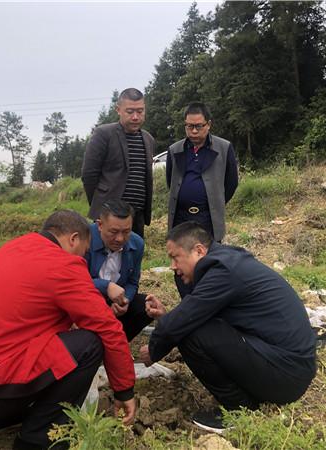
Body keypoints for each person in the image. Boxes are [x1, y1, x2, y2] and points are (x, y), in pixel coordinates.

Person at [0, 211, 136, 450]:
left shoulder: (15, 248)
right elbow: (108, 328)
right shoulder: (62, 264)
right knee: (88, 345)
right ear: (73, 239)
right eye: (84, 252)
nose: (83, 259)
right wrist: (124, 391)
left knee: (36, 340)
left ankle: (0, 420)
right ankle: (37, 441)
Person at [139, 222, 316, 433]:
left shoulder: (224, 271)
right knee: (192, 325)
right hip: (288, 366)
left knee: (190, 333)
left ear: (198, 250)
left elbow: (186, 320)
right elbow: (194, 314)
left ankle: (238, 410)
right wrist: (167, 318)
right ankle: (249, 395)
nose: (172, 266)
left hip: (287, 375)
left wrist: (154, 349)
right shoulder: (227, 263)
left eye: (175, 257)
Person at [166, 102, 239, 297]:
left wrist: (215, 204)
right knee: (181, 263)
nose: (194, 131)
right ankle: (187, 302)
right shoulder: (175, 150)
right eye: (189, 126)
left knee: (208, 263)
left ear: (209, 124)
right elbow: (170, 182)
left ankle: (207, 302)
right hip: (181, 218)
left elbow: (231, 183)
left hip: (207, 218)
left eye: (198, 126)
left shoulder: (223, 148)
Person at [82, 88, 156, 238]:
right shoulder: (104, 134)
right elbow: (89, 175)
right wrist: (101, 208)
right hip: (110, 218)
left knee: (134, 251)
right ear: (118, 110)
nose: (135, 117)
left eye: (140, 111)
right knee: (104, 253)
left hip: (137, 216)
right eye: (130, 112)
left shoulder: (148, 139)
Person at [84, 200, 153, 342]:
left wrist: (124, 300)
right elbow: (74, 281)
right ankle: (92, 343)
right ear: (100, 225)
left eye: (126, 232)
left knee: (145, 306)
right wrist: (106, 286)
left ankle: (115, 342)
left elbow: (133, 282)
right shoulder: (84, 239)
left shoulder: (137, 244)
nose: (120, 238)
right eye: (113, 232)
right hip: (87, 301)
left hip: (114, 303)